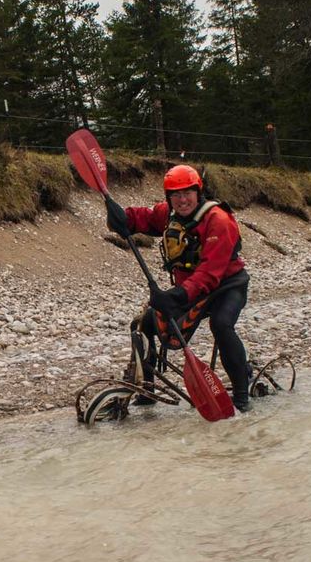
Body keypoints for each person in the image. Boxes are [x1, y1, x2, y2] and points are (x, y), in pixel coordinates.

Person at [105, 164, 252, 411]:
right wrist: (121, 217)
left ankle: (241, 397)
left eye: (187, 193)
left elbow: (209, 273)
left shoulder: (219, 220)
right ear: (169, 197)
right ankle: (146, 392)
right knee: (144, 324)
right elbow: (144, 218)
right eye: (175, 194)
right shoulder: (169, 214)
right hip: (190, 290)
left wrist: (177, 295)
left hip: (227, 287)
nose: (182, 200)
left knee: (222, 324)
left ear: (198, 191)